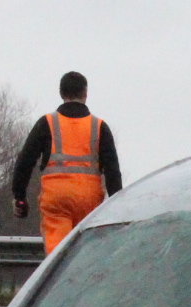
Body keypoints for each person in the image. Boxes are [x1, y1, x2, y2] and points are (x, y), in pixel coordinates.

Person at [12, 71, 122, 253]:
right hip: (89, 201)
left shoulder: (46, 123)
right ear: (85, 93)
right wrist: (118, 207)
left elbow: (25, 162)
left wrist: (20, 196)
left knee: (58, 256)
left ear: (61, 93)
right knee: (85, 257)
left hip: (57, 200)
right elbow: (113, 172)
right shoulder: (99, 127)